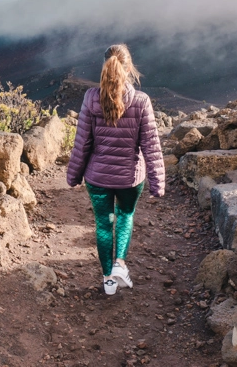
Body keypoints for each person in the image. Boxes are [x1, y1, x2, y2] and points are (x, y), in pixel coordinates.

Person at [66, 44, 165, 295]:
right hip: (130, 179)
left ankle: (108, 279)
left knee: (103, 224)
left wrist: (74, 175)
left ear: (104, 66)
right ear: (129, 68)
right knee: (124, 217)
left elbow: (82, 142)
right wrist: (157, 182)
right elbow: (151, 145)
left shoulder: (91, 98)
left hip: (97, 177)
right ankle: (120, 263)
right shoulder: (141, 101)